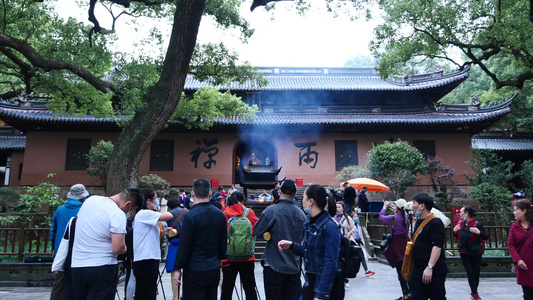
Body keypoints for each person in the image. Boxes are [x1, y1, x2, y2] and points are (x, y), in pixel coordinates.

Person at [71, 188, 144, 300]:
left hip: (77, 265)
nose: (128, 212)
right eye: (130, 210)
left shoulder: (90, 201)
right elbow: (118, 248)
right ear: (128, 204)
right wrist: (125, 248)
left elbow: (77, 223)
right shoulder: (117, 214)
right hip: (102, 266)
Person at [278, 184, 344, 300]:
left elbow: (331, 262)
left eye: (304, 197)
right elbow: (311, 252)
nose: (301, 200)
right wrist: (292, 246)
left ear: (310, 201)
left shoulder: (329, 227)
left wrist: (321, 294)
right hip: (311, 283)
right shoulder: (309, 225)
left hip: (325, 288)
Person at [173, 179, 227, 300]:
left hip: (194, 268)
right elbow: (223, 242)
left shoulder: (190, 216)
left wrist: (178, 268)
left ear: (192, 194)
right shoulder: (220, 215)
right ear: (210, 194)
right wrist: (220, 260)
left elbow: (184, 245)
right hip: (213, 267)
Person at [254, 179, 307, 300]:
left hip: (273, 263)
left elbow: (256, 231)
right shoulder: (301, 215)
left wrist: (267, 234)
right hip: (294, 265)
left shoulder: (271, 211)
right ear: (294, 194)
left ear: (279, 192)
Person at [49, 184, 89, 300]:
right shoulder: (84, 210)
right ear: (83, 197)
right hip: (79, 253)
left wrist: (53, 248)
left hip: (60, 252)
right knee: (77, 286)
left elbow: (53, 231)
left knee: (58, 285)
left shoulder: (59, 210)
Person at [133, 188, 173, 300]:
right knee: (145, 292)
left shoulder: (145, 215)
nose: (157, 202)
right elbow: (169, 216)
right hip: (146, 258)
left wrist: (162, 233)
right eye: (155, 199)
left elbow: (147, 235)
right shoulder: (145, 213)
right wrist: (158, 210)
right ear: (148, 201)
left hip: (148, 257)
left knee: (148, 291)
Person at [221, 191, 259, 300]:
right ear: (242, 200)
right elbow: (258, 226)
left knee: (227, 289)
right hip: (247, 257)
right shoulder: (249, 213)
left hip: (228, 258)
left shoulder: (224, 214)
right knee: (250, 287)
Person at [409, 193, 447, 300]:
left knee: (437, 296)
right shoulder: (418, 221)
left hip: (433, 268)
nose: (412, 206)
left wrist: (430, 267)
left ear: (422, 206)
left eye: (414, 203)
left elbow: (437, 246)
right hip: (418, 267)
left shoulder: (435, 222)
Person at [333, 202, 374, 288]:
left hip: (346, 242)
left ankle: (344, 278)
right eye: (336, 207)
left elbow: (354, 227)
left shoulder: (347, 218)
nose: (337, 209)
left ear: (343, 208)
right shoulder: (333, 218)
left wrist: (350, 233)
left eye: (339, 207)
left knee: (344, 259)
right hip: (335, 242)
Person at [452, 206, 488, 300]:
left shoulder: (476, 224)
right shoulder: (460, 224)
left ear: (467, 213)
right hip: (464, 252)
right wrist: (454, 231)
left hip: (476, 252)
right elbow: (458, 236)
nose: (460, 214)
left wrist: (478, 232)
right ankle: (475, 293)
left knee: (476, 273)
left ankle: (474, 291)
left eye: (461, 212)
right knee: (470, 272)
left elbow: (485, 236)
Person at [379, 199, 410, 300]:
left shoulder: (393, 218)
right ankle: (410, 293)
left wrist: (384, 207)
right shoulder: (407, 217)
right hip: (406, 244)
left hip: (397, 245)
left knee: (400, 271)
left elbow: (381, 217)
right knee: (408, 270)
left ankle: (405, 294)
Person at [508, 199, 533, 300]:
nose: (514, 212)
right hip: (524, 266)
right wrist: (517, 260)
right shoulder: (515, 226)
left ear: (524, 211)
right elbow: (511, 245)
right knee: (528, 295)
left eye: (516, 210)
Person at [165, 198, 188, 300]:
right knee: (187, 272)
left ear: (169, 206)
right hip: (186, 245)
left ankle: (175, 297)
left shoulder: (169, 214)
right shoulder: (188, 212)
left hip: (174, 245)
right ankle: (186, 295)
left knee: (175, 273)